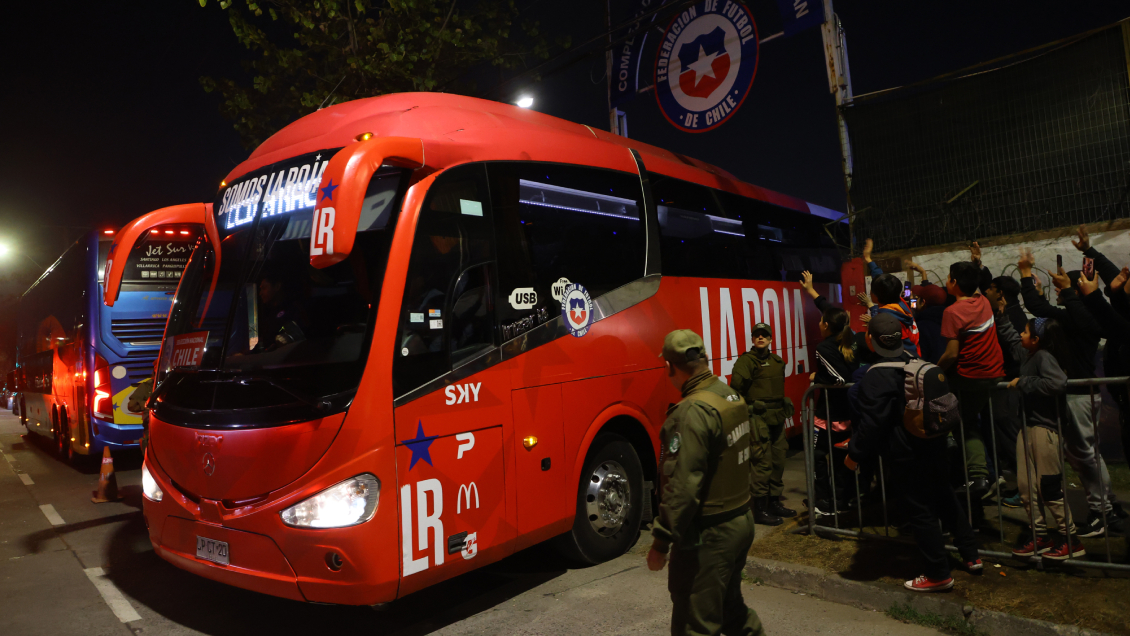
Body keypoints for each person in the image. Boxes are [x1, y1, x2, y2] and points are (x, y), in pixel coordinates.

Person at [848, 313, 981, 592]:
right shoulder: (915, 361)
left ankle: (938, 574)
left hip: (905, 453)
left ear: (871, 342)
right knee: (945, 498)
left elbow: (872, 423)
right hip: (935, 444)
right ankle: (971, 555)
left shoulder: (877, 375)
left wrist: (855, 453)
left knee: (921, 512)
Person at [648, 329, 765, 636]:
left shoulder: (691, 412)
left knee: (695, 624)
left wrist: (661, 542)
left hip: (709, 535)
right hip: (740, 520)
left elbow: (683, 487)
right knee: (729, 609)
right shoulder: (727, 395)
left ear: (670, 367)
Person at [1018, 248, 1128, 537]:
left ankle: (1099, 513)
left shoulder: (1079, 320)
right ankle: (1108, 505)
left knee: (1083, 456)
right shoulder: (1087, 320)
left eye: (1070, 288)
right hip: (1084, 394)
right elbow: (1043, 309)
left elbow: (1039, 310)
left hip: (1079, 395)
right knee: (1090, 454)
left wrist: (1027, 273)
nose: (1063, 291)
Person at [995, 313, 1084, 560]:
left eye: (1025, 332)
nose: (1021, 334)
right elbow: (1014, 341)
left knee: (1049, 487)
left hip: (1045, 430)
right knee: (1026, 487)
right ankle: (1040, 535)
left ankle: (1070, 539)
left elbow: (1057, 383)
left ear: (1036, 339)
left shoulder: (1044, 357)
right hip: (1028, 428)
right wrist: (1001, 317)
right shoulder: (1031, 354)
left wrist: (1025, 382)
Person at [937, 261, 1004, 497]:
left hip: (969, 376)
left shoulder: (952, 312)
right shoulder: (984, 302)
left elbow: (952, 354)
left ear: (954, 282)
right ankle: (988, 475)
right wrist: (976, 263)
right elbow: (979, 284)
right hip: (993, 373)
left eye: (948, 276)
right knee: (974, 422)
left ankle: (978, 477)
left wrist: (935, 370)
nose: (946, 280)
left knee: (964, 423)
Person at [802, 271, 860, 514]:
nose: (818, 322)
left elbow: (838, 379)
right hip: (847, 414)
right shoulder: (851, 337)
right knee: (839, 460)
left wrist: (818, 378)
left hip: (830, 416)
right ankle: (841, 502)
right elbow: (831, 310)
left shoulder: (824, 347)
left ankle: (825, 502)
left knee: (817, 457)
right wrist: (812, 291)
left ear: (826, 325)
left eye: (821, 320)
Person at [731, 322, 794, 526]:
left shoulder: (777, 361)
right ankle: (759, 508)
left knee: (778, 459)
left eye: (764, 335)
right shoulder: (746, 362)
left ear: (770, 339)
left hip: (776, 416)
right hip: (758, 417)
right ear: (752, 339)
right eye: (757, 335)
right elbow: (736, 389)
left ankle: (774, 502)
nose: (761, 338)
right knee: (761, 462)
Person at [861, 239, 922, 357]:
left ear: (874, 295)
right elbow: (881, 279)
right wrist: (868, 259)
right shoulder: (900, 301)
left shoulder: (887, 319)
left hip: (907, 360)